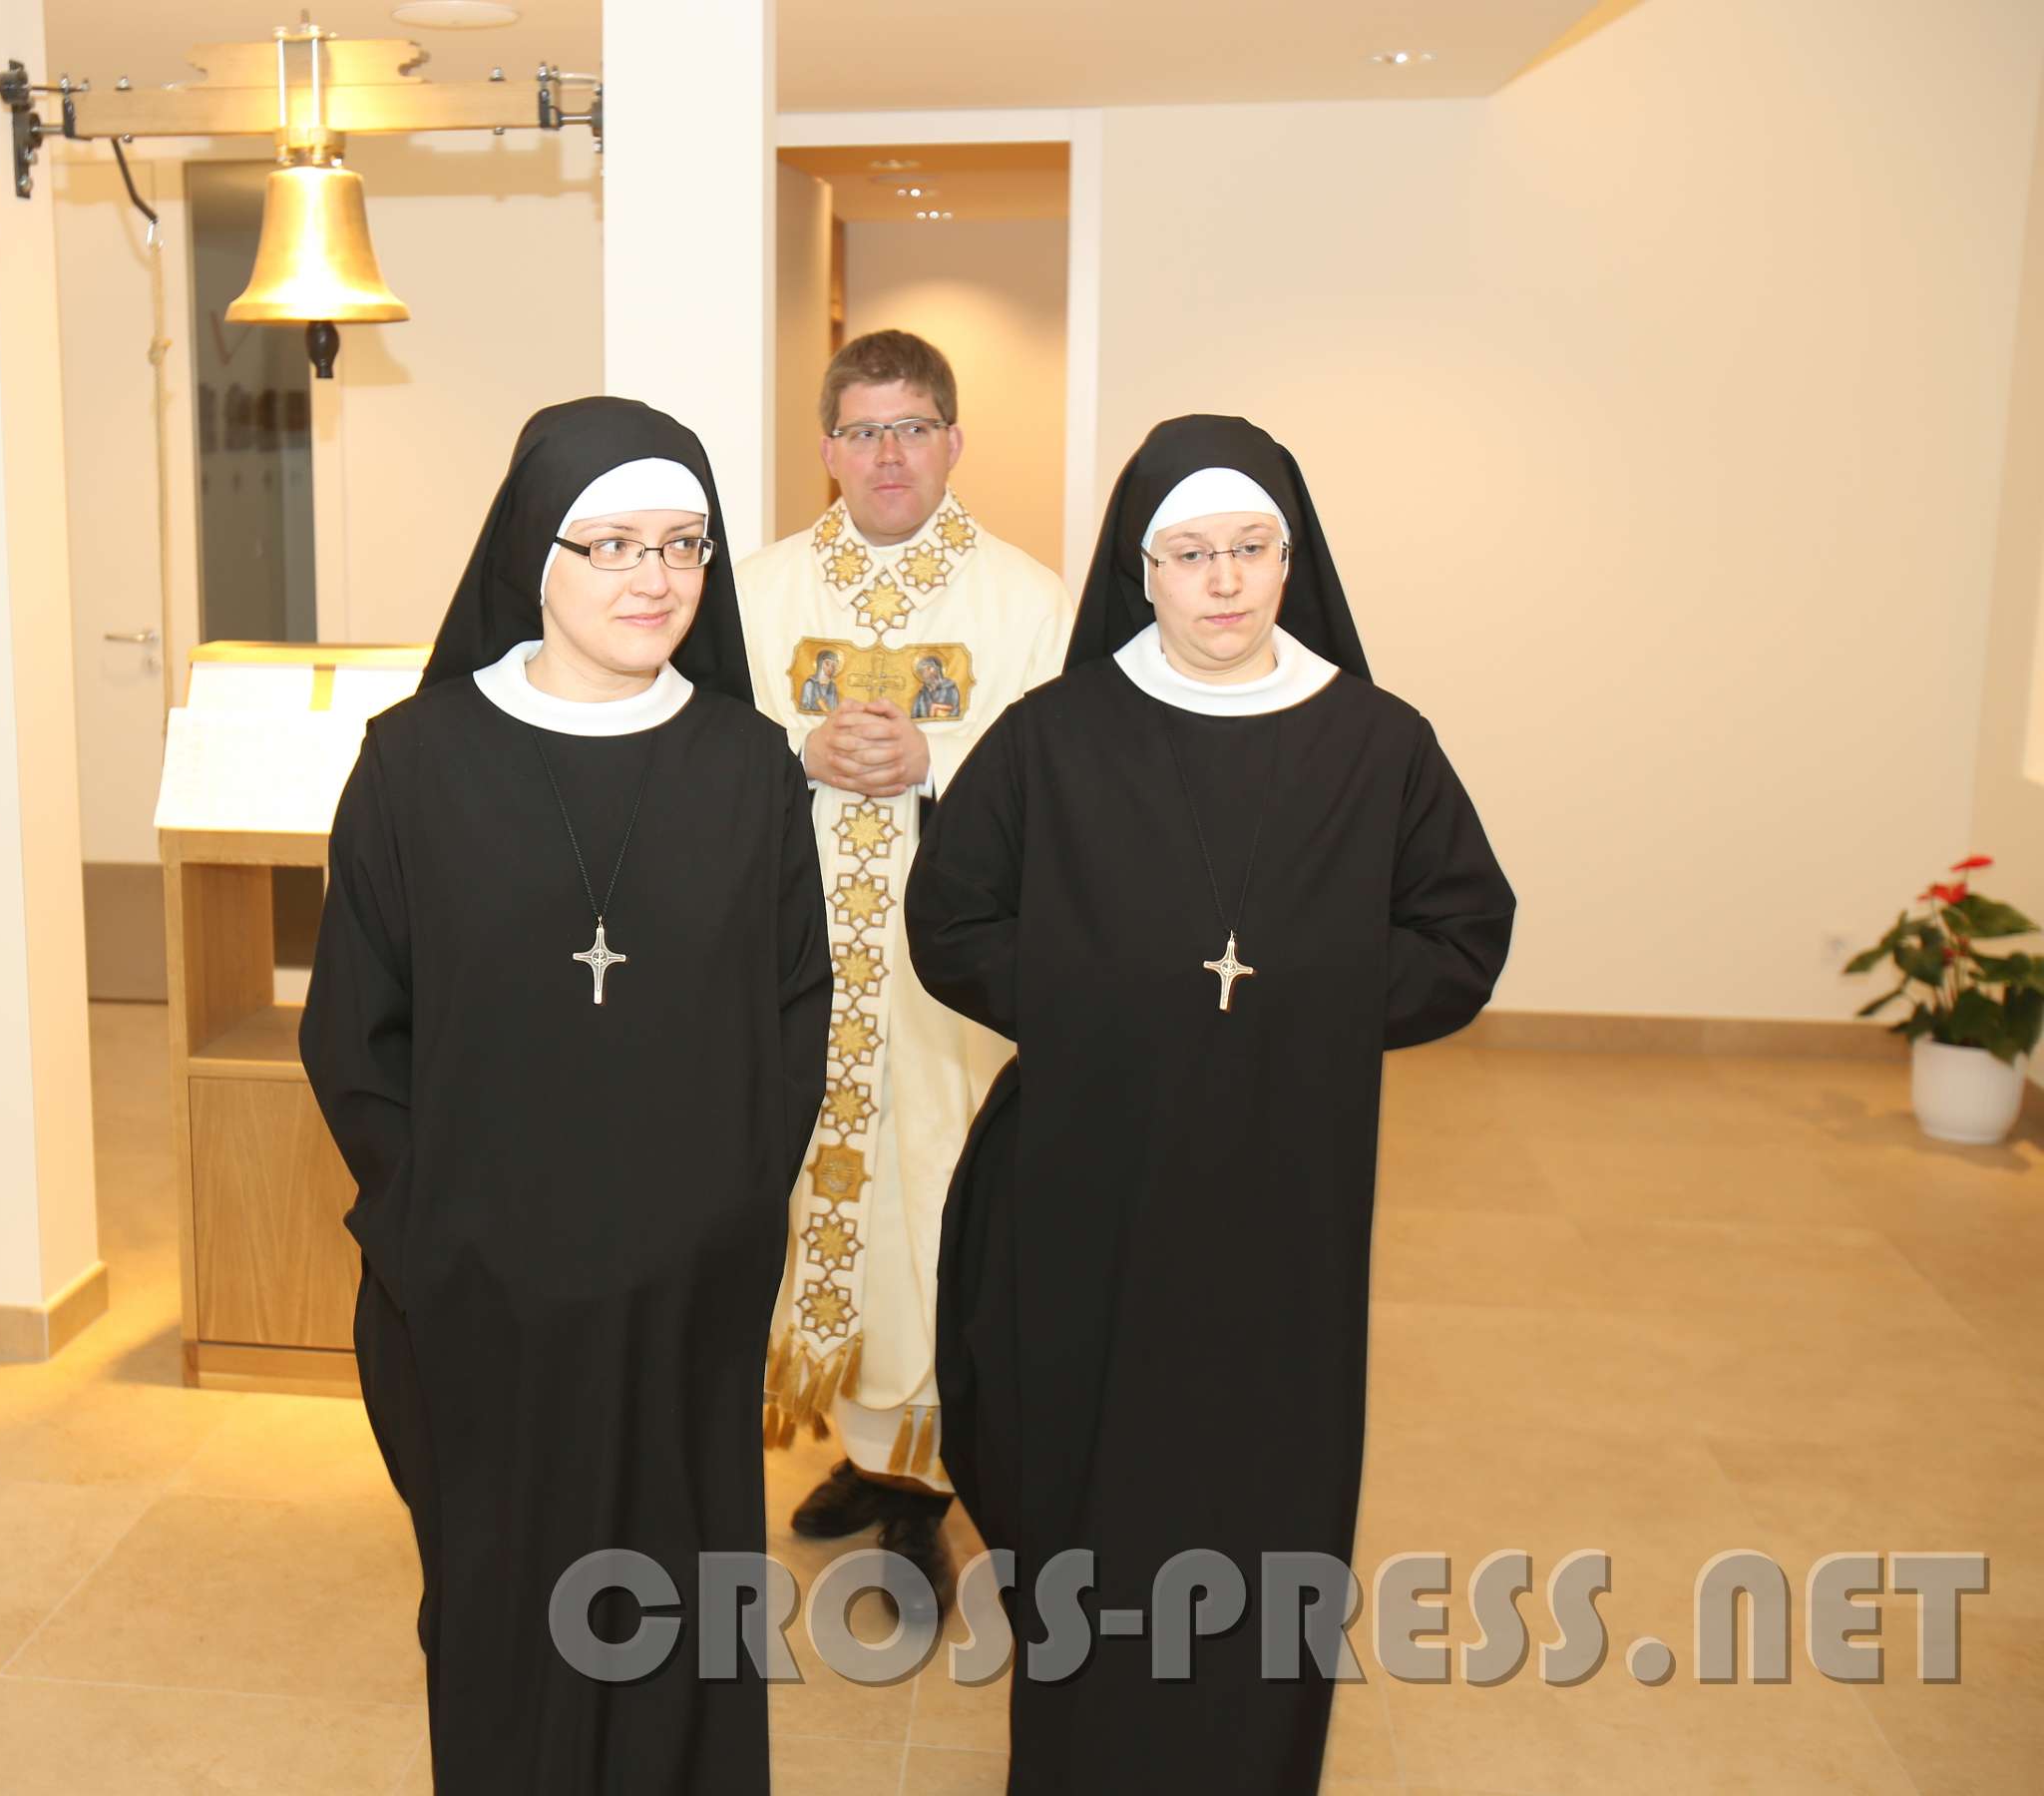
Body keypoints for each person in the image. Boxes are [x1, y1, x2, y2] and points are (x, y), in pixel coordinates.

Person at [906, 414, 1516, 1792]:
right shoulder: (1058, 735)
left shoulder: (1375, 741)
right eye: (1191, 554)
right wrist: (1100, 1001)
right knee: (1092, 1485)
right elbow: (953, 919)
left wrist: (1312, 1004)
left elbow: (1463, 932)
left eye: (1252, 548)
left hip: (1285, 1184)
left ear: (1294, 561)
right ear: (1143, 569)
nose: (1226, 580)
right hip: (1095, 1182)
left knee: (1266, 1484)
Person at [299, 396, 831, 1795]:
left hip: (686, 1294)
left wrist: (734, 1212)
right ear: (535, 554)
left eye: (684, 544)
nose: (655, 577)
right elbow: (355, 1031)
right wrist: (431, 1228)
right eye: (614, 545)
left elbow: (795, 1012)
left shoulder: (748, 767)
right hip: (485, 1284)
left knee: (679, 1612)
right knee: (510, 1611)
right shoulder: (417, 762)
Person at [735, 330, 1071, 1596]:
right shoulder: (758, 592)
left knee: (936, 1206)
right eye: (864, 431)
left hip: (947, 989)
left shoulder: (1028, 601)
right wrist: (795, 756)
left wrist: (941, 761)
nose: (889, 455)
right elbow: (701, 746)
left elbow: (1066, 778)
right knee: (810, 1202)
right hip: (800, 963)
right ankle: (866, 1452)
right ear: (827, 449)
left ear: (953, 442)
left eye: (914, 428)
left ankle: (926, 1482)